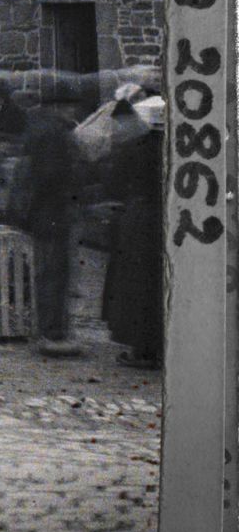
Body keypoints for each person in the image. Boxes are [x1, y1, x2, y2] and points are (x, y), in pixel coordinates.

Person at [14, 105, 83, 357]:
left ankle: (49, 328)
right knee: (54, 273)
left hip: (42, 215)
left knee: (48, 272)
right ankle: (53, 331)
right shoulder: (55, 141)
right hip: (53, 214)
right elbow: (53, 179)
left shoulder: (35, 138)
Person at [102, 96, 164, 369]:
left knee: (136, 286)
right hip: (164, 220)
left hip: (139, 221)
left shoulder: (134, 148)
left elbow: (114, 184)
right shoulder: (170, 147)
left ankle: (143, 350)